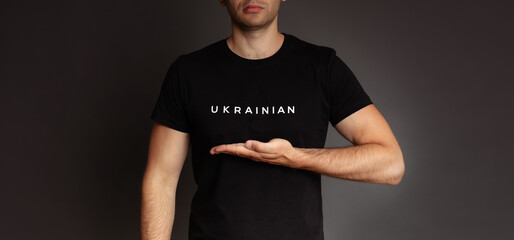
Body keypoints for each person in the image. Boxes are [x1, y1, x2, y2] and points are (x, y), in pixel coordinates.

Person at [141, 0, 405, 239]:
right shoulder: (188, 73)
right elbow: (161, 179)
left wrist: (295, 157)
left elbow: (390, 165)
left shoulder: (322, 67)